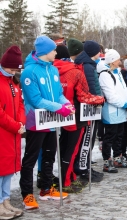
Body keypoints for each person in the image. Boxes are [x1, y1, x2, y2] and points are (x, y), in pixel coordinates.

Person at [20, 36, 72, 210]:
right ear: (44, 52)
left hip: (51, 120)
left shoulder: (53, 70)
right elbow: (36, 100)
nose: (56, 53)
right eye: (53, 50)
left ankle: (46, 189)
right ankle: (26, 194)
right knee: (31, 158)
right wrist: (59, 107)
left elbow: (58, 93)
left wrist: (66, 104)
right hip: (36, 121)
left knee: (49, 155)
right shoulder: (30, 71)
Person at [54, 45, 105, 192]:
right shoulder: (75, 71)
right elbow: (83, 96)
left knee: (63, 148)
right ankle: (67, 180)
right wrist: (99, 100)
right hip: (75, 115)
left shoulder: (51, 70)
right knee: (73, 149)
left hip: (58, 114)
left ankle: (63, 178)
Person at [98, 49, 127, 172]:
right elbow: (110, 95)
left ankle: (118, 157)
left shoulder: (117, 73)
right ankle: (107, 161)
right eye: (118, 59)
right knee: (110, 136)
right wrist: (124, 104)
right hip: (112, 110)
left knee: (119, 135)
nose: (120, 61)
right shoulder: (105, 74)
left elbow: (124, 89)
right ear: (113, 61)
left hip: (121, 110)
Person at [0, 46, 25, 219]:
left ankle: (5, 199)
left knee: (8, 169)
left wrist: (21, 121)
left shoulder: (13, 82)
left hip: (13, 132)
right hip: (4, 132)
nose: (14, 72)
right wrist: (15, 125)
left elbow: (20, 105)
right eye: (12, 69)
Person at [74, 40, 104, 180]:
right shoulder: (87, 66)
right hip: (89, 107)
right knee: (87, 139)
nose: (100, 53)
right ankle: (83, 168)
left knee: (90, 139)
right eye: (98, 51)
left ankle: (86, 166)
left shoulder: (90, 65)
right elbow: (91, 87)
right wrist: (97, 99)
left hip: (94, 106)